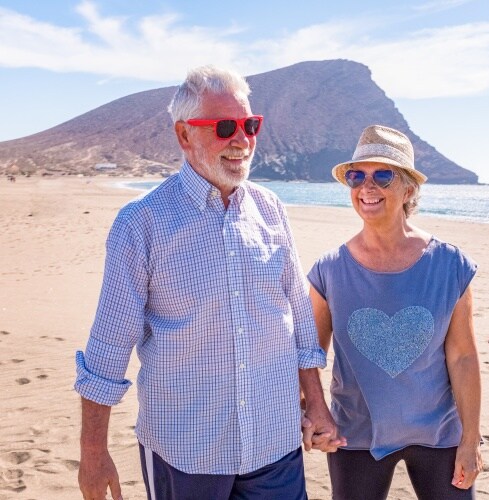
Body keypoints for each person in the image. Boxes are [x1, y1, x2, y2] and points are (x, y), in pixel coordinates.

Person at [74, 65, 343, 500]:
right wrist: (93, 453)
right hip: (187, 454)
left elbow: (296, 317)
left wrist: (315, 401)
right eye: (223, 127)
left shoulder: (271, 209)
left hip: (275, 447)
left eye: (249, 125)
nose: (242, 141)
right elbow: (108, 346)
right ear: (184, 135)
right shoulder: (141, 223)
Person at [307, 125, 483, 499]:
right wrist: (315, 412)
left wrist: (470, 440)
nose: (367, 187)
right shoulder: (329, 271)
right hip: (354, 436)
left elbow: (463, 356)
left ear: (408, 189)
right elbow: (308, 356)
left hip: (439, 434)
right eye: (357, 176)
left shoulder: (450, 265)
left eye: (382, 175)